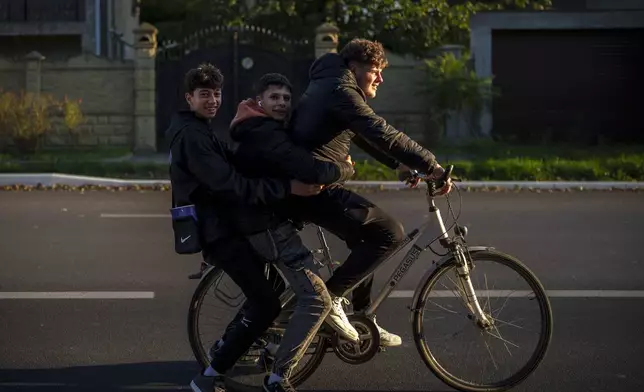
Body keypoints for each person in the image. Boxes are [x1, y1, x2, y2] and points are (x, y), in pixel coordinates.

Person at [166, 63, 327, 392]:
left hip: (227, 227)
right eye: (204, 94)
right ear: (189, 97)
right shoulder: (193, 137)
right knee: (266, 303)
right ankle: (209, 377)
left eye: (216, 93)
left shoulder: (199, 128)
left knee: (267, 288)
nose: (212, 100)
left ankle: (234, 345)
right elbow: (229, 184)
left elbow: (234, 160)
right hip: (221, 233)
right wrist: (286, 188)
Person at [285, 38, 453, 348]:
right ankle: (328, 301)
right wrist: (432, 165)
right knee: (389, 234)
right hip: (313, 188)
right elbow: (379, 130)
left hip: (315, 182)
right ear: (354, 67)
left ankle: (363, 319)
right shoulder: (341, 91)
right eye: (375, 70)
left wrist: (399, 164)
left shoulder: (332, 84)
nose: (380, 78)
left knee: (368, 242)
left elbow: (358, 134)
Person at [220, 72, 357, 392]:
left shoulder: (259, 126)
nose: (281, 103)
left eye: (285, 98)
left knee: (269, 295)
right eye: (274, 98)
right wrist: (346, 167)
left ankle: (225, 351)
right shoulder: (264, 132)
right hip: (264, 224)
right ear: (259, 102)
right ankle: (279, 377)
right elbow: (310, 169)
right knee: (316, 299)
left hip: (263, 219)